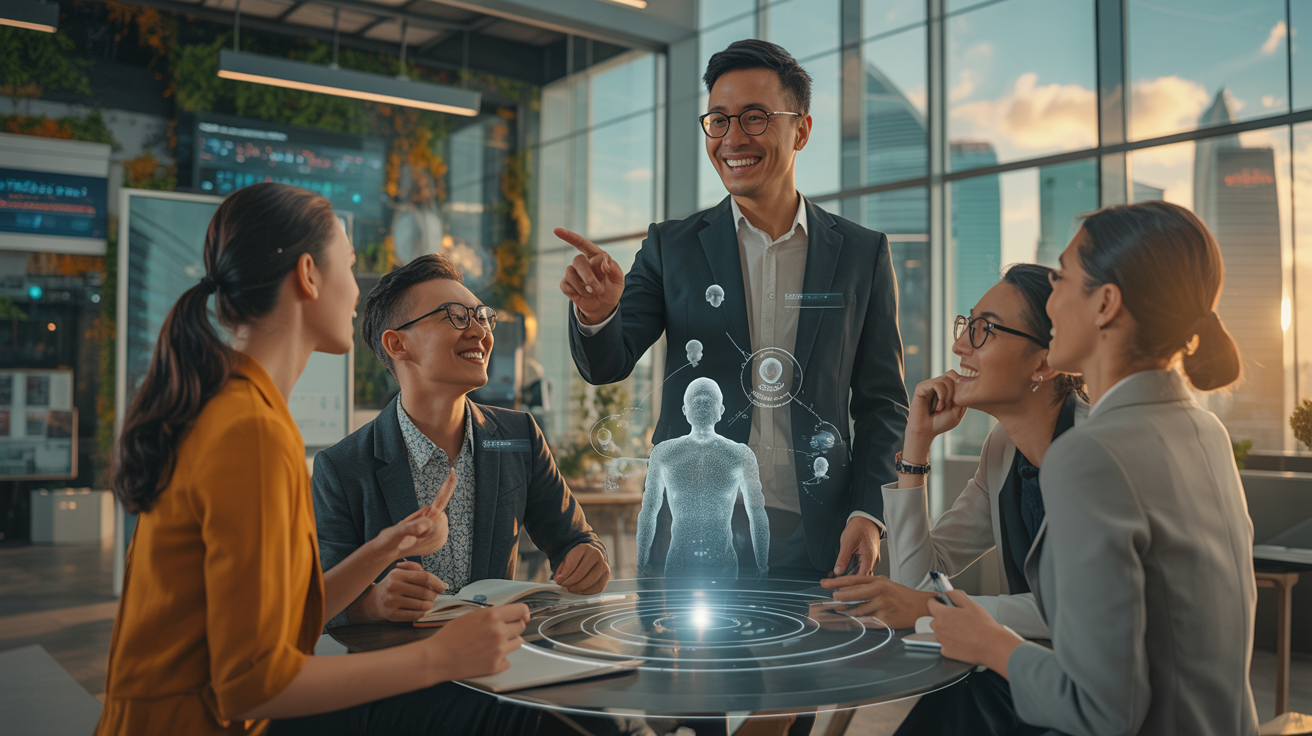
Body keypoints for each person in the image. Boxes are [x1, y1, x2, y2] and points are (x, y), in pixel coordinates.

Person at [97, 183, 530, 736]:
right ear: (308, 274)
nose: (356, 291)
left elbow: (280, 618)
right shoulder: (249, 430)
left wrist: (386, 546)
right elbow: (253, 683)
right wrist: (442, 657)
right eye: (349, 266)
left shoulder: (236, 404)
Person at [556, 39, 907, 579]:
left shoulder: (861, 254)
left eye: (755, 118)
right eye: (718, 121)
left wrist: (869, 512)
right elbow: (607, 364)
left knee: (820, 667)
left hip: (821, 540)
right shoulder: (672, 248)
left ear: (802, 130)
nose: (732, 138)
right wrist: (598, 313)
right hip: (696, 536)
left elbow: (883, 404)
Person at [928, 201, 1260, 736]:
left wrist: (990, 640)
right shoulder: (1204, 431)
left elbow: (1104, 710)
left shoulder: (1091, 454)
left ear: (1105, 303)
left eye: (1060, 278)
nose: (1051, 299)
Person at [823, 263, 1086, 735]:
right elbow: (920, 578)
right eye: (968, 325)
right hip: (1025, 677)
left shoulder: (1099, 451)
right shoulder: (1003, 449)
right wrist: (917, 445)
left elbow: (1075, 613)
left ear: (1044, 363)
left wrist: (932, 608)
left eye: (984, 330)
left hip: (1090, 699)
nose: (959, 345)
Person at [313, 253, 609, 631]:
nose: (480, 332)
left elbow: (576, 540)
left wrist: (589, 557)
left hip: (499, 669)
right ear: (397, 344)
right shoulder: (341, 468)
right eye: (454, 316)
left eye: (482, 317)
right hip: (400, 676)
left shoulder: (520, 437)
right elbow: (315, 606)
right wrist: (371, 604)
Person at [637, 377, 771, 579]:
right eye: (695, 401)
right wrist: (641, 562)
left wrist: (763, 567)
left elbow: (757, 513)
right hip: (678, 565)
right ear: (685, 410)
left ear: (721, 411)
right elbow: (648, 510)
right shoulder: (663, 453)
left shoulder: (739, 455)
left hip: (723, 566)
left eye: (708, 401)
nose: (701, 404)